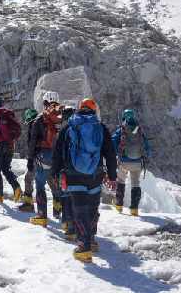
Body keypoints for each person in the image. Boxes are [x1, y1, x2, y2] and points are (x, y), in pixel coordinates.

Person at [52, 97, 117, 264]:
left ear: (79, 108)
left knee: (79, 210)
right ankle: (92, 239)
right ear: (94, 110)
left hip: (74, 175)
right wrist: (112, 176)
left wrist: (55, 172)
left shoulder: (69, 127)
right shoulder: (100, 128)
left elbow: (58, 152)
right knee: (92, 208)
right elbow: (110, 153)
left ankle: (84, 245)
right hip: (95, 175)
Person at [26, 95, 65, 227]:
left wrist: (30, 159)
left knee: (40, 184)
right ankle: (58, 211)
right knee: (55, 184)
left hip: (43, 155)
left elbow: (32, 142)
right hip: (58, 157)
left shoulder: (39, 119)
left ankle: (42, 215)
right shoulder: (61, 120)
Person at [111, 108, 151, 216]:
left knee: (121, 181)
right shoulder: (139, 129)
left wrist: (116, 154)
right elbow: (146, 145)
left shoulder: (122, 129)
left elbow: (113, 141)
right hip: (138, 162)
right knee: (135, 183)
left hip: (124, 161)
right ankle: (134, 209)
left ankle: (119, 205)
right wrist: (147, 156)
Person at [17, 108, 39, 212]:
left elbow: (32, 144)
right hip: (47, 156)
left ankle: (28, 204)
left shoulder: (33, 126)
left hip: (36, 157)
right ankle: (58, 207)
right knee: (50, 180)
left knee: (28, 179)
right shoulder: (42, 123)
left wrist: (30, 159)